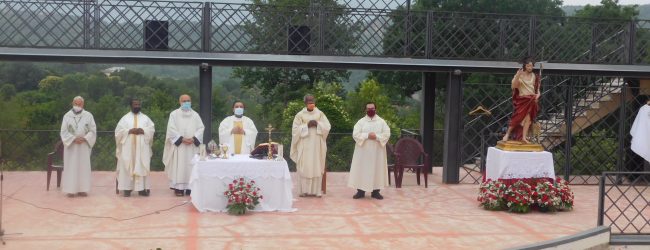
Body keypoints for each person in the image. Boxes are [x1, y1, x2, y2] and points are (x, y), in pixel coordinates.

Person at [162, 94, 205, 196]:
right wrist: (181, 139)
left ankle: (190, 188)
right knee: (179, 166)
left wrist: (194, 138)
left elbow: (201, 128)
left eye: (188, 100)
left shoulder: (195, 115)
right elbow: (171, 129)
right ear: (180, 102)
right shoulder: (174, 114)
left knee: (191, 166)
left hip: (192, 145)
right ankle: (179, 188)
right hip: (180, 146)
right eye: (184, 101)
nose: (186, 103)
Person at [290, 94, 331, 197]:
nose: (311, 104)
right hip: (304, 145)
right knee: (304, 166)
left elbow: (327, 126)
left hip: (317, 145)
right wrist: (306, 125)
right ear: (305, 103)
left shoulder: (320, 114)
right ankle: (303, 191)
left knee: (316, 166)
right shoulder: (300, 115)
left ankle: (317, 191)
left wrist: (318, 124)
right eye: (309, 102)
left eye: (313, 102)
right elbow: (295, 130)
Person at [348, 102, 390, 200]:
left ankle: (376, 192)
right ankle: (360, 191)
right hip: (363, 152)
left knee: (377, 170)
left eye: (372, 108)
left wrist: (376, 136)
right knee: (362, 170)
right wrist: (367, 135)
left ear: (376, 109)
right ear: (365, 110)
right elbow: (355, 134)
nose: (370, 110)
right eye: (368, 109)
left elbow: (387, 133)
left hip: (377, 152)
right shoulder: (361, 122)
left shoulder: (381, 122)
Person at [115, 98, 155, 197]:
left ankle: (142, 189)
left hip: (142, 149)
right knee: (127, 165)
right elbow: (118, 132)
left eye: (138, 104)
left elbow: (151, 129)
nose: (137, 106)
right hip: (128, 148)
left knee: (141, 165)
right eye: (135, 104)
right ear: (131, 105)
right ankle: (127, 189)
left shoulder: (146, 118)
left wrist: (143, 131)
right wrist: (129, 131)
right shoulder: (125, 118)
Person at [59, 96, 97, 197]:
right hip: (71, 146)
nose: (78, 106)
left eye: (80, 104)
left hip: (83, 145)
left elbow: (93, 130)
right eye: (76, 103)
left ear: (83, 104)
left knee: (83, 167)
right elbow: (63, 131)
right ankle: (70, 190)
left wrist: (84, 138)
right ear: (72, 103)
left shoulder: (88, 115)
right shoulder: (67, 116)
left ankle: (83, 189)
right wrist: (74, 139)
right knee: (71, 167)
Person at [502, 57, 541, 143]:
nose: (530, 68)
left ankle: (524, 137)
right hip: (523, 100)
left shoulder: (534, 76)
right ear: (525, 66)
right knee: (517, 117)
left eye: (531, 66)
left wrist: (538, 95)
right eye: (528, 66)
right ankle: (507, 134)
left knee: (529, 119)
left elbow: (536, 88)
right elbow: (514, 86)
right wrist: (517, 76)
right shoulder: (520, 74)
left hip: (532, 99)